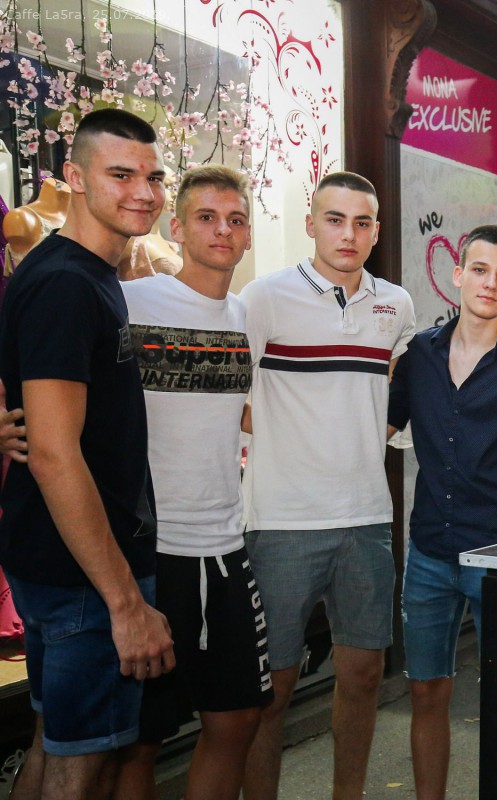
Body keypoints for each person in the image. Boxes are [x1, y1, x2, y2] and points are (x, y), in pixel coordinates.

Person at [0, 108, 174, 800]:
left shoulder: (82, 273)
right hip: (83, 580)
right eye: (121, 175)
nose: (143, 193)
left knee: (56, 748)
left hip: (63, 568)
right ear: (74, 177)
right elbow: (52, 453)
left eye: (153, 177)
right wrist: (124, 602)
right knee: (83, 772)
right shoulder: (68, 283)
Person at [239, 171, 416, 800]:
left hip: (366, 516)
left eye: (362, 222)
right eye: (335, 219)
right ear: (311, 223)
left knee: (364, 673)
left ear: (376, 231)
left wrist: (360, 430)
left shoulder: (397, 305)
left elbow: (397, 399)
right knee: (272, 688)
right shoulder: (263, 298)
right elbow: (230, 398)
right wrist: (287, 432)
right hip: (281, 520)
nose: (348, 234)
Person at [388, 224, 497, 800]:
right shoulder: (420, 354)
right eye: (481, 270)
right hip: (428, 553)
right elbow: (380, 427)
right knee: (425, 691)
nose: (491, 283)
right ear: (458, 275)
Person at [110, 165, 272, 799]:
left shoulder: (246, 317)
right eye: (206, 217)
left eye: (235, 220)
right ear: (177, 228)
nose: (222, 230)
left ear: (249, 235)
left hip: (225, 548)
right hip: (149, 553)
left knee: (238, 719)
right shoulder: (131, 302)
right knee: (138, 743)